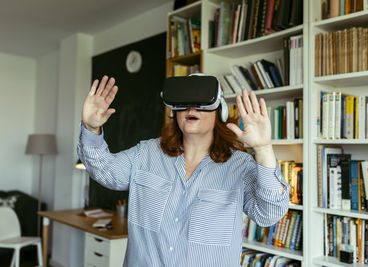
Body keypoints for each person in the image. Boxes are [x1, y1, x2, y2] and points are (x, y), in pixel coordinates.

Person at [77, 75, 289, 267]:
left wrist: (263, 149)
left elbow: (268, 214)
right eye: (184, 102)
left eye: (201, 102)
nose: (191, 109)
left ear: (220, 110)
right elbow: (104, 170)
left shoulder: (240, 166)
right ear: (174, 110)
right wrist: (90, 129)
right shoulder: (146, 153)